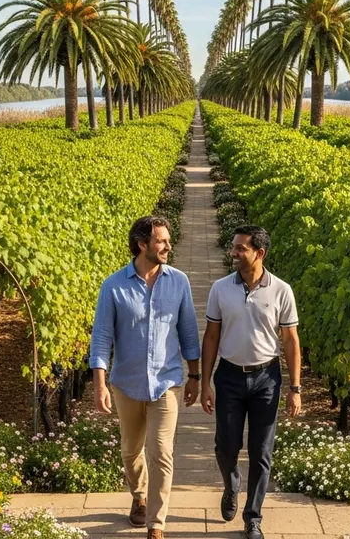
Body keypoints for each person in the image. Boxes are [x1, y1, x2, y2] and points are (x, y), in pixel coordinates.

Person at [89, 215, 201, 539]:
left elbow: (188, 332)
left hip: (166, 382)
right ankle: (139, 494)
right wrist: (99, 384)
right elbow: (101, 338)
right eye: (161, 241)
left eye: (168, 240)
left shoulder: (178, 281)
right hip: (126, 383)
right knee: (130, 450)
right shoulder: (113, 286)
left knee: (161, 452)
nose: (168, 246)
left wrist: (195, 376)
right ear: (142, 245)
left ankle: (156, 524)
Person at [200, 225, 301, 539]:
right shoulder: (220, 288)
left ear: (260, 253)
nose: (233, 252)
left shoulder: (281, 290)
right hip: (229, 376)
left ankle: (253, 517)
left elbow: (291, 340)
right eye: (233, 247)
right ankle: (231, 485)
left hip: (266, 379)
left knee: (261, 453)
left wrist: (295, 388)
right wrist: (204, 383)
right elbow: (211, 336)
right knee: (226, 447)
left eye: (240, 248)